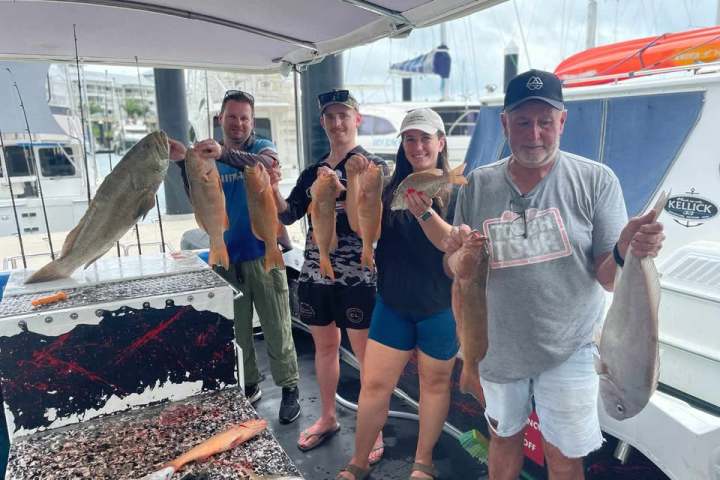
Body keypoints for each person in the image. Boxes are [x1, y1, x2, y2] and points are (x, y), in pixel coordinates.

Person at [446, 69, 665, 480]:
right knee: (503, 438)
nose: (535, 134)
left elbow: (608, 278)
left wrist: (628, 250)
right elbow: (456, 268)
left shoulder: (596, 180)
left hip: (571, 347)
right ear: (505, 124)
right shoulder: (477, 185)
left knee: (563, 453)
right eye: (523, 122)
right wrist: (454, 258)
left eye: (545, 122)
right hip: (497, 346)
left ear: (562, 122)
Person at [336, 108, 459, 480]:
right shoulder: (388, 188)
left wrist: (426, 214)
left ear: (441, 142)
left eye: (425, 138)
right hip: (393, 305)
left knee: (434, 385)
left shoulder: (455, 188)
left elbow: (453, 246)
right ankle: (358, 460)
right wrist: (356, 182)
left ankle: (423, 461)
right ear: (402, 145)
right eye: (409, 139)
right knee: (374, 385)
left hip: (439, 308)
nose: (417, 146)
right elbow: (362, 228)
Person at [169, 89, 301, 424]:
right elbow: (195, 195)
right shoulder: (207, 154)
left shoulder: (260, 149)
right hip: (225, 256)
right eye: (232, 117)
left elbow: (268, 165)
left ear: (252, 122)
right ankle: (250, 384)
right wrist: (184, 161)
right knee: (236, 331)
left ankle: (289, 388)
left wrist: (226, 153)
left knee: (277, 325)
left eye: (244, 118)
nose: (238, 123)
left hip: (263, 253)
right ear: (220, 119)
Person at [271, 89, 386, 460]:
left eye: (344, 116)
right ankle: (328, 416)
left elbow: (363, 223)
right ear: (323, 122)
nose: (338, 123)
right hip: (316, 271)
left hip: (357, 273)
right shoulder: (312, 171)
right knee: (324, 347)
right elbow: (287, 215)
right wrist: (269, 184)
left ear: (358, 119)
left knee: (367, 355)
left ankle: (375, 428)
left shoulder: (372, 166)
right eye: (330, 117)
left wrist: (350, 184)